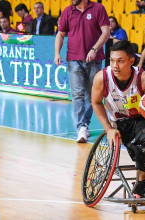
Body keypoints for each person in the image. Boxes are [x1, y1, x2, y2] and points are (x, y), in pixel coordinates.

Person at [92, 40, 145, 198]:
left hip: (141, 119)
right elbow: (96, 103)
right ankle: (143, 163)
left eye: (120, 61)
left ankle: (140, 186)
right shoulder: (102, 78)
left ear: (131, 61)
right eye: (112, 60)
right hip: (119, 122)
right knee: (138, 149)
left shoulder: (144, 79)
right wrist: (109, 129)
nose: (115, 65)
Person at [54, 0, 110, 143]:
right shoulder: (67, 11)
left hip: (94, 59)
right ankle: (81, 127)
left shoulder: (98, 8)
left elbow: (106, 32)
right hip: (73, 58)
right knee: (77, 94)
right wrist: (57, 53)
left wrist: (94, 49)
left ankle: (84, 124)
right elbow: (60, 34)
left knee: (92, 95)